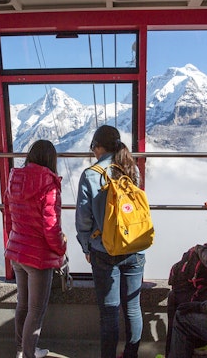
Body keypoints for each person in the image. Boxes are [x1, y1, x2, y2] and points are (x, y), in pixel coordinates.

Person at [75, 125, 145, 358]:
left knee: (109, 313)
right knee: (133, 307)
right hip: (134, 247)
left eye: (93, 148)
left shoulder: (91, 174)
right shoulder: (131, 168)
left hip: (104, 250)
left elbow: (84, 219)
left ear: (98, 146)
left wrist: (86, 246)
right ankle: (131, 354)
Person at [4, 140, 67, 358]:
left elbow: (8, 216)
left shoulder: (14, 178)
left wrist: (13, 239)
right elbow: (51, 227)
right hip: (38, 256)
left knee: (22, 305)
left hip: (16, 250)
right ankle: (29, 355)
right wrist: (61, 248)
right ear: (51, 159)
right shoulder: (49, 184)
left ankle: (22, 351)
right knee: (36, 310)